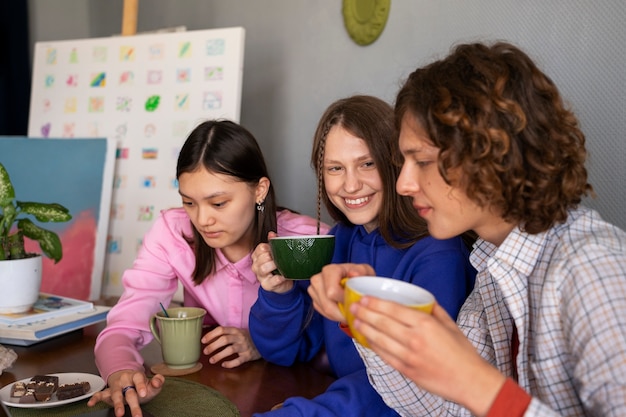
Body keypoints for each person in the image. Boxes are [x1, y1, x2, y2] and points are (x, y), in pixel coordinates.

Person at [308, 42, 626, 417]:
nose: (404, 184)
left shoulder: (594, 270)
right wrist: (360, 313)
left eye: (422, 161)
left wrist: (475, 381)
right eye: (404, 162)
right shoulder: (491, 274)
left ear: (491, 156)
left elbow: (471, 391)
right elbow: (439, 411)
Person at [249, 95, 476, 416]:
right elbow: (286, 351)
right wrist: (279, 295)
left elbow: (407, 384)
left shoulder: (439, 251)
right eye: (335, 168)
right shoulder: (339, 239)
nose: (351, 185)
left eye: (367, 164)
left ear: (395, 161)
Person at [88, 120, 324, 417]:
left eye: (219, 203)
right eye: (189, 202)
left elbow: (328, 338)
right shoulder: (173, 231)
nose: (202, 220)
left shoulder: (307, 240)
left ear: (259, 190)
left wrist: (259, 343)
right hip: (208, 391)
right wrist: (120, 370)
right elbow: (125, 323)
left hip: (293, 397)